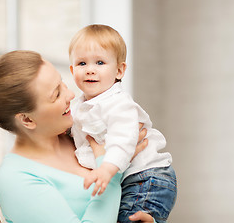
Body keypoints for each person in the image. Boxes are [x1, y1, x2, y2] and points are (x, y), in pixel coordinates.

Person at [0, 50, 154, 223]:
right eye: (56, 94)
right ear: (27, 120)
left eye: (62, 83)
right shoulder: (16, 179)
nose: (71, 95)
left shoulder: (82, 134)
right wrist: (111, 171)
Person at [69, 24, 177, 223]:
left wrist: (106, 169)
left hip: (147, 178)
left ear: (119, 70)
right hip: (130, 179)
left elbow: (123, 139)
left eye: (100, 62)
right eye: (82, 64)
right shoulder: (77, 106)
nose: (90, 70)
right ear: (72, 69)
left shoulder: (118, 104)